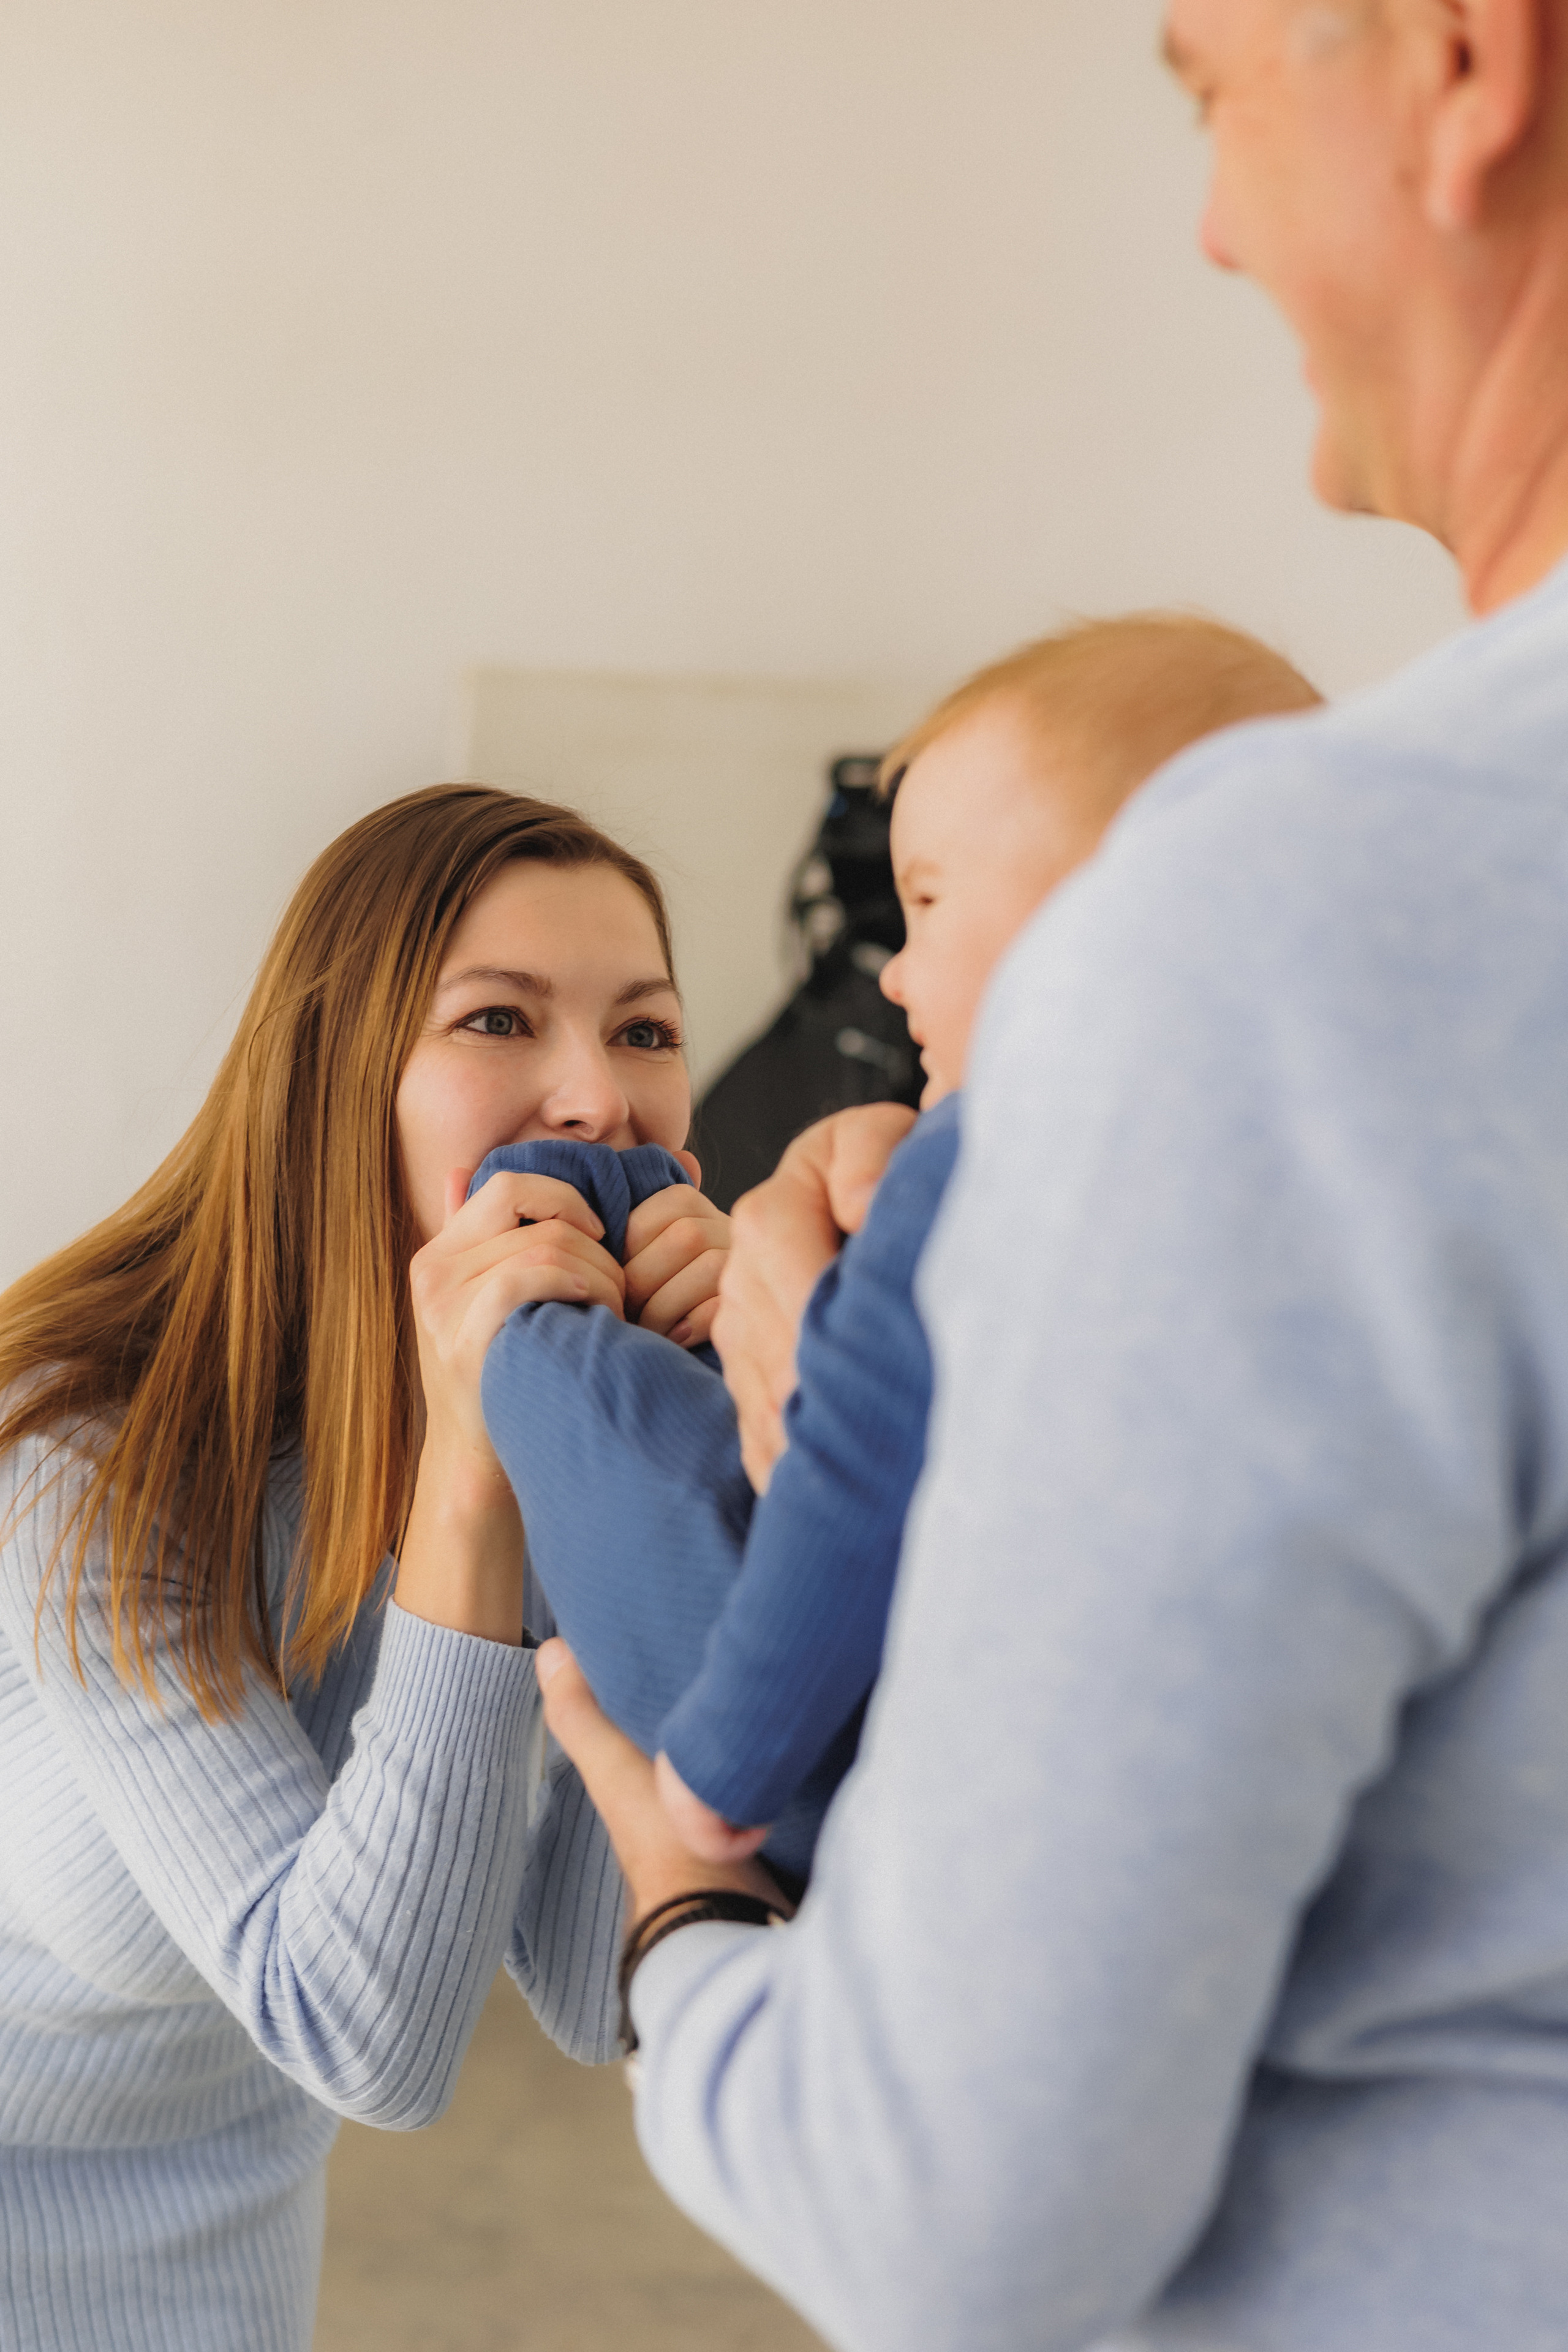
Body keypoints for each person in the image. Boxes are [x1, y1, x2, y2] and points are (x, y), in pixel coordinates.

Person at [535, 4, 1568, 2348]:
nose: (1211, 223)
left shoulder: (1293, 926)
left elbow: (948, 2216)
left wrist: (677, 1926)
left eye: (1210, 89)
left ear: (1463, 63)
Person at [0, 782, 730, 2352]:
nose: (595, 1098)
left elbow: (600, 1984)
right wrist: (468, 1476)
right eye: (498, 1019)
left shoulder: (552, 1410)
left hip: (219, 2227)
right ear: (348, 1080)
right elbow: (366, 2037)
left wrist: (685, 1452)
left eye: (646, 1032)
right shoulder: (86, 1459)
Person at [475, 618, 1319, 1887]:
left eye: (924, 904)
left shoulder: (978, 1160)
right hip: (1143, 1769)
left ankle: (539, 1260)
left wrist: (719, 1772)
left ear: (1125, 902)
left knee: (551, 1374)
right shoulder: (1299, 1167)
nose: (897, 975)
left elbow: (852, 1481)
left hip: (838, 1757)